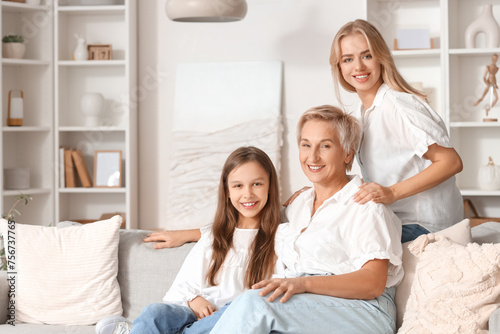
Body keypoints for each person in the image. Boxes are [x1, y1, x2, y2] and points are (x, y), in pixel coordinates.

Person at [208, 106, 403, 333]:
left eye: (326, 146)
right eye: (306, 145)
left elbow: (372, 283)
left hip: (364, 309)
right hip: (309, 306)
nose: (313, 157)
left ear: (348, 153)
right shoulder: (301, 202)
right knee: (240, 308)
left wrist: (302, 284)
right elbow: (250, 223)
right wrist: (185, 235)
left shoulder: (365, 205)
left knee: (254, 304)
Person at [96, 146, 286, 334]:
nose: (247, 194)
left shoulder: (282, 238)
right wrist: (194, 300)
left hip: (233, 321)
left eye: (257, 184)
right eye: (238, 185)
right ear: (227, 191)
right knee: (154, 313)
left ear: (270, 186)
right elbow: (180, 288)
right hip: (193, 318)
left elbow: (272, 302)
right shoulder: (213, 237)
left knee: (236, 309)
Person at [328, 19, 463, 242]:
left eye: (367, 55)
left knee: (338, 246)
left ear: (381, 58)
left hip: (426, 227)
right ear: (339, 67)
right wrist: (313, 196)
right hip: (396, 221)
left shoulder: (399, 105)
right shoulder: (363, 113)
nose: (359, 66)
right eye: (348, 59)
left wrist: (392, 193)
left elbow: (451, 162)